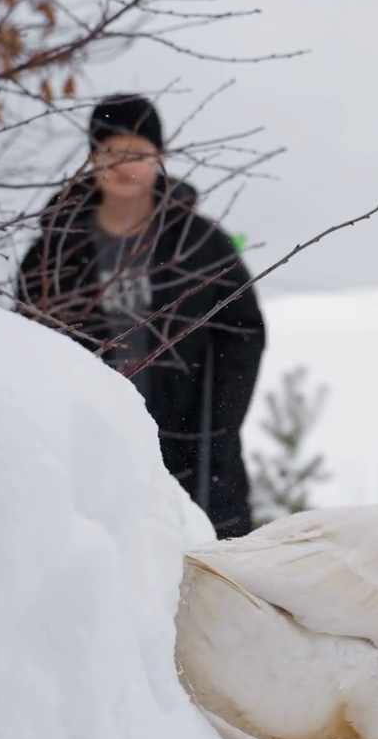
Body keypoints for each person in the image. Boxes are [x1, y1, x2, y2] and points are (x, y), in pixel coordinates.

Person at [17, 94, 264, 538]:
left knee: (206, 566)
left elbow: (242, 334)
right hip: (87, 445)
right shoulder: (55, 251)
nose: (123, 165)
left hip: (193, 447)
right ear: (92, 158)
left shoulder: (201, 243)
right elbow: (27, 340)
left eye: (138, 153)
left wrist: (219, 423)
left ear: (159, 158)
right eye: (110, 152)